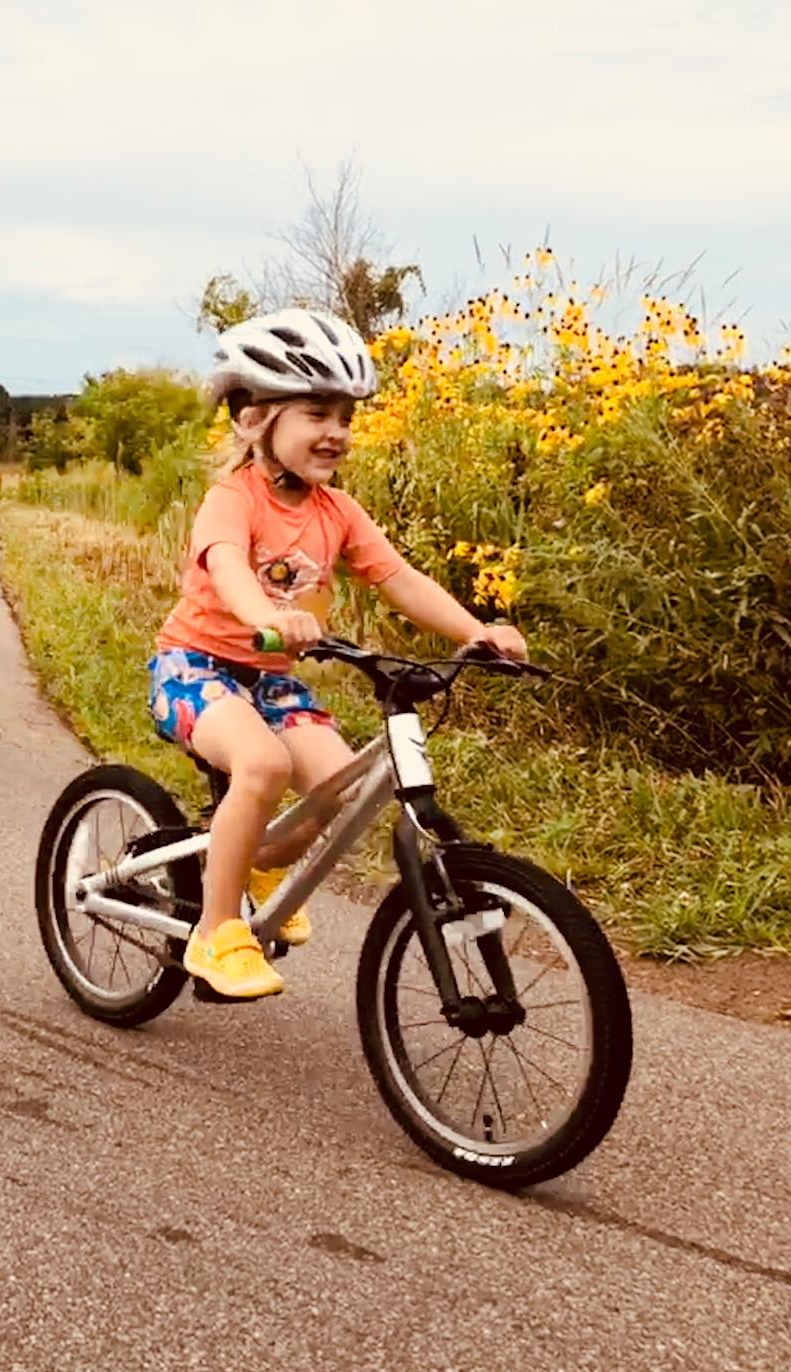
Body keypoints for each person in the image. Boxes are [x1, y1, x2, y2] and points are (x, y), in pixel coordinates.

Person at [149, 308, 528, 998]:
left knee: (339, 786)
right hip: (194, 668)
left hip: (270, 681)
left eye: (346, 418)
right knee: (263, 763)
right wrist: (269, 617)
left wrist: (474, 631)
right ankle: (215, 931)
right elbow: (228, 567)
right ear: (254, 419)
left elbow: (399, 579)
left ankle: (256, 865)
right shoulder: (232, 500)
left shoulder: (338, 512)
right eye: (317, 413)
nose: (337, 432)